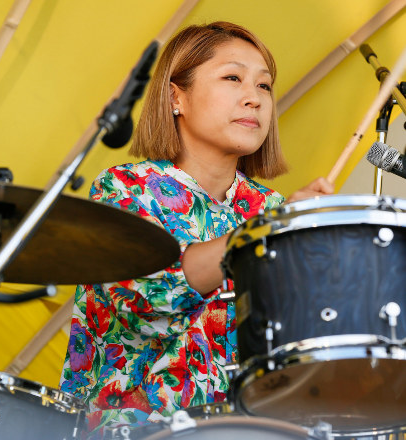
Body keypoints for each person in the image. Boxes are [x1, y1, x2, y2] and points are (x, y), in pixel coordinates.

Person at [59, 21, 334, 436]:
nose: (254, 98)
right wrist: (264, 232)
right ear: (176, 97)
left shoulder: (271, 208)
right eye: (233, 78)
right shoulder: (125, 188)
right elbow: (150, 298)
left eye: (264, 86)